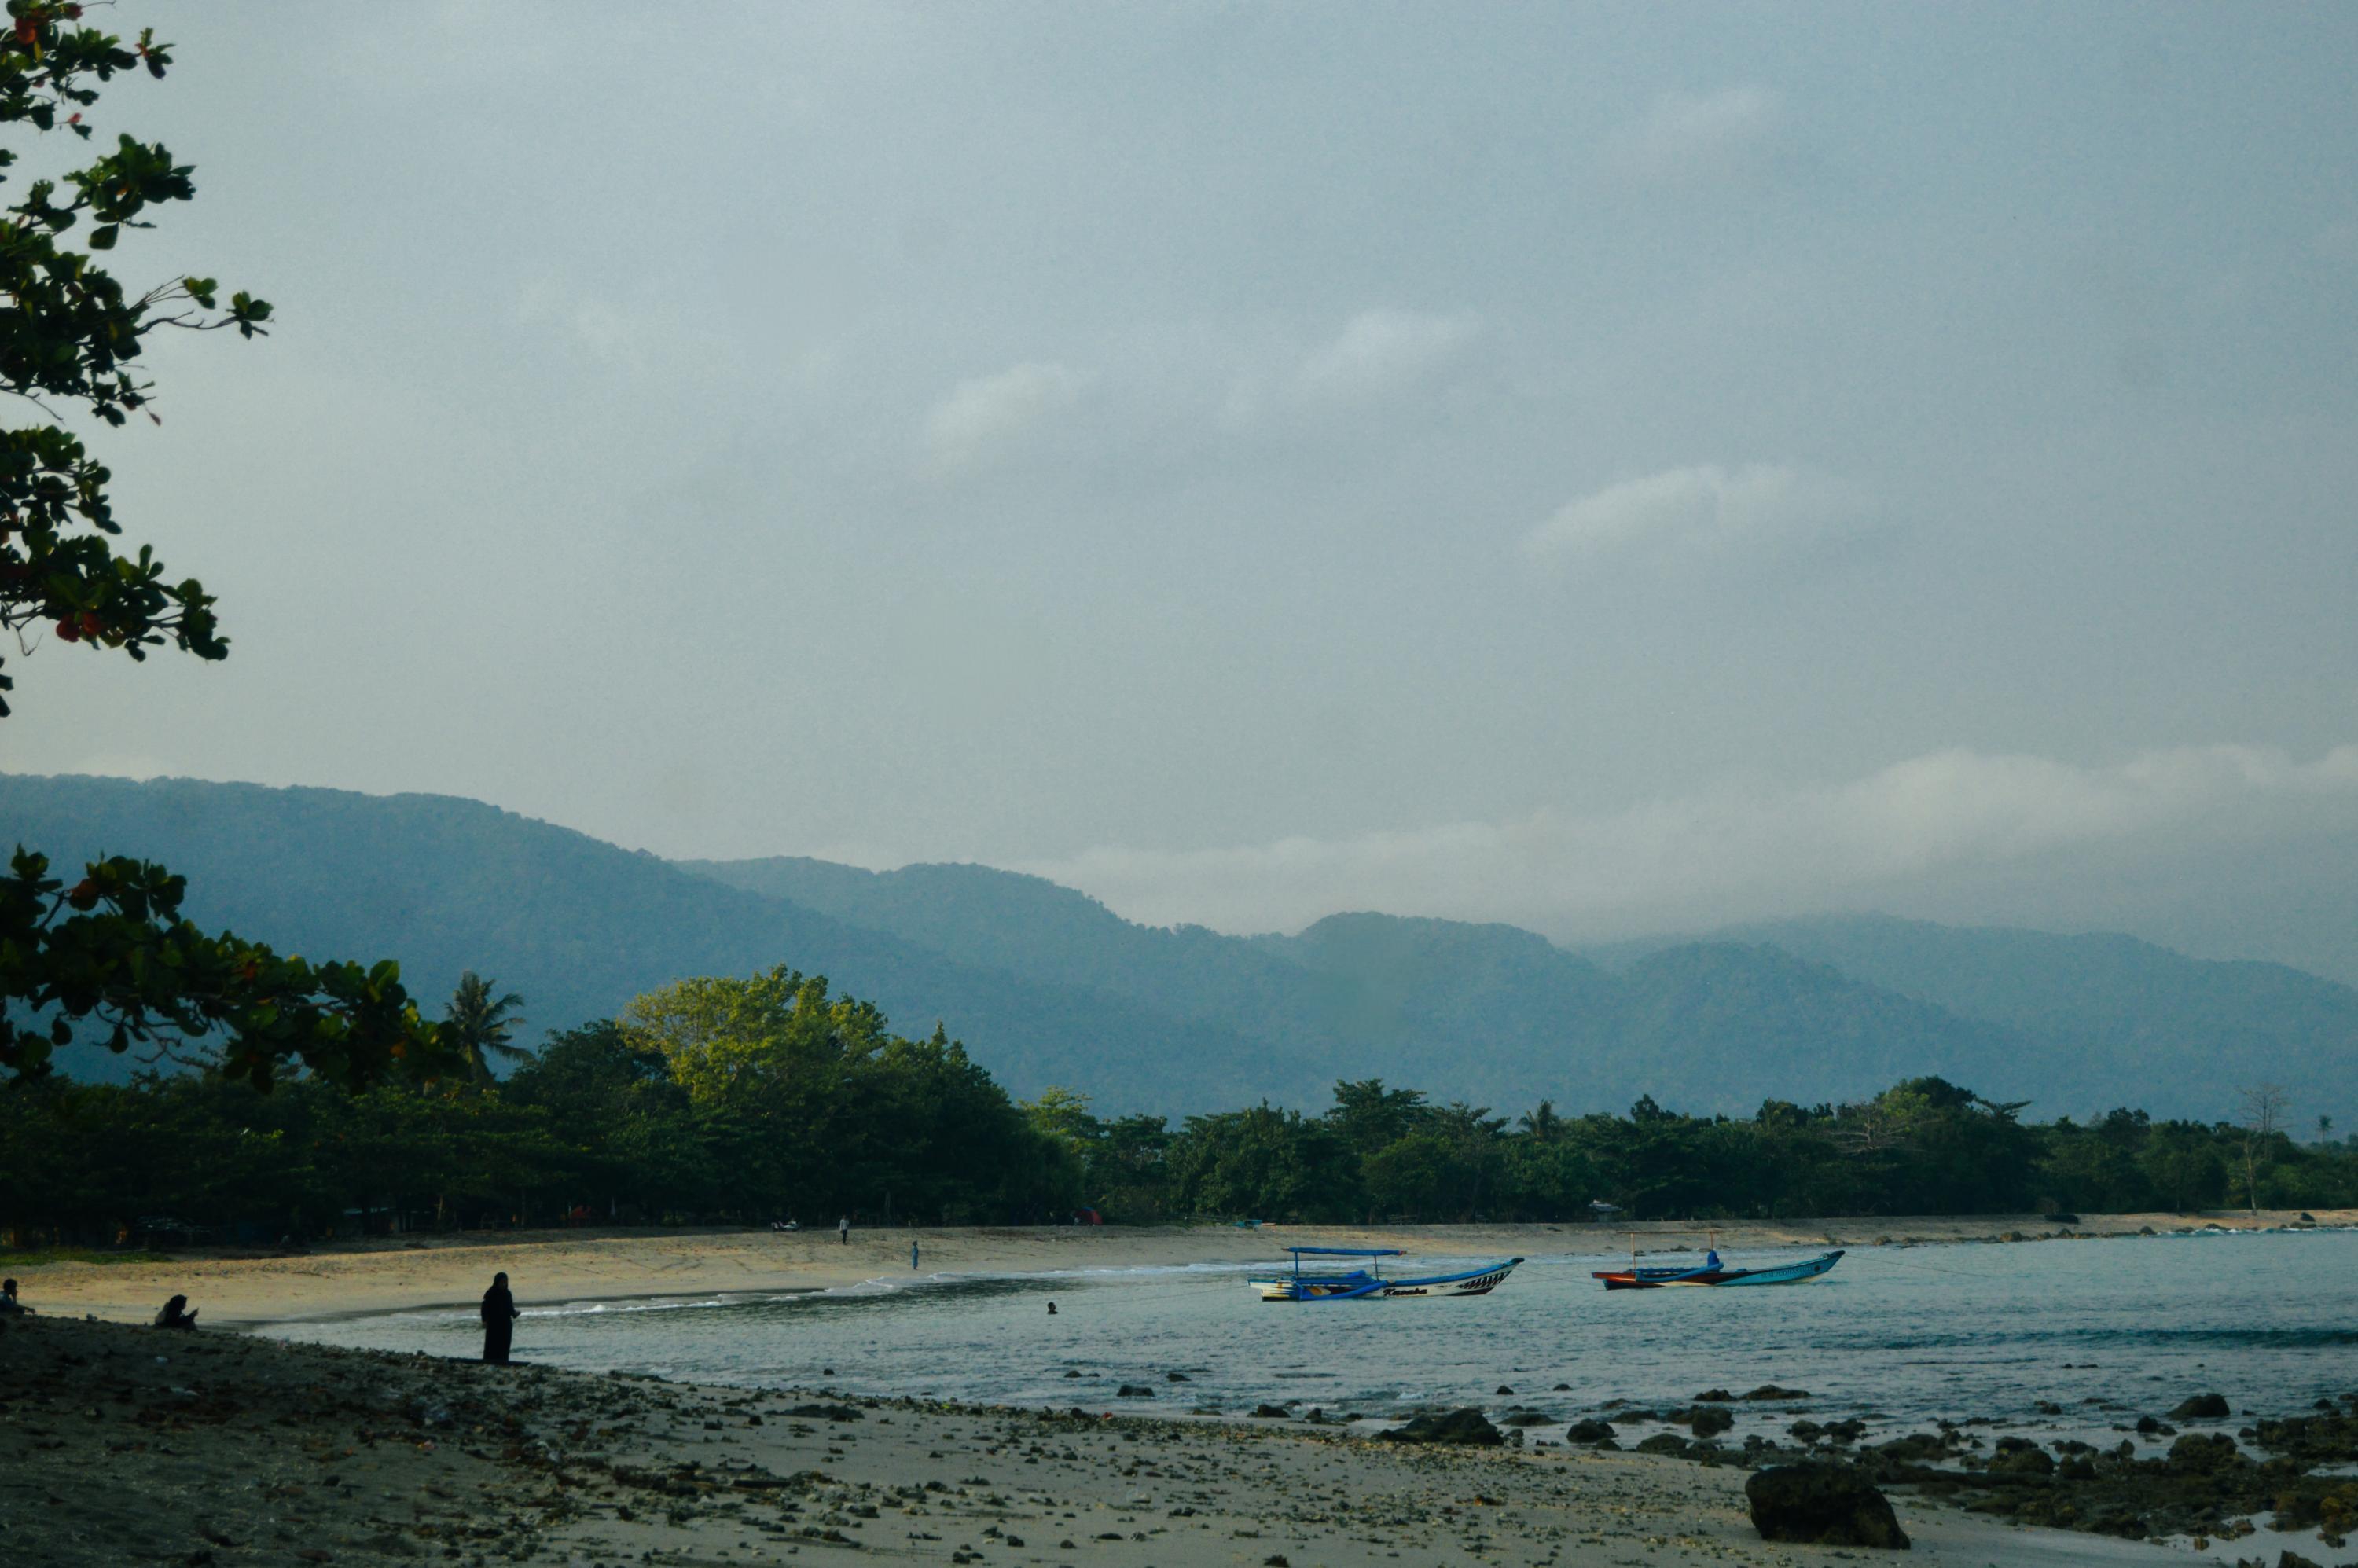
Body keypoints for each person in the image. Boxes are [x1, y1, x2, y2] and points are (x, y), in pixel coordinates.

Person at [480, 1271, 519, 1364]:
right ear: (497, 1282)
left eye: (505, 1282)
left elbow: (510, 1308)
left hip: (505, 1325)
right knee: (492, 1345)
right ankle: (489, 1362)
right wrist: (484, 1320)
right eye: (502, 1282)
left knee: (504, 1346)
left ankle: (504, 1362)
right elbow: (484, 1308)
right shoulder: (491, 1293)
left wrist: (515, 1314)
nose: (504, 1284)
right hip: (494, 1325)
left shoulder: (508, 1294)